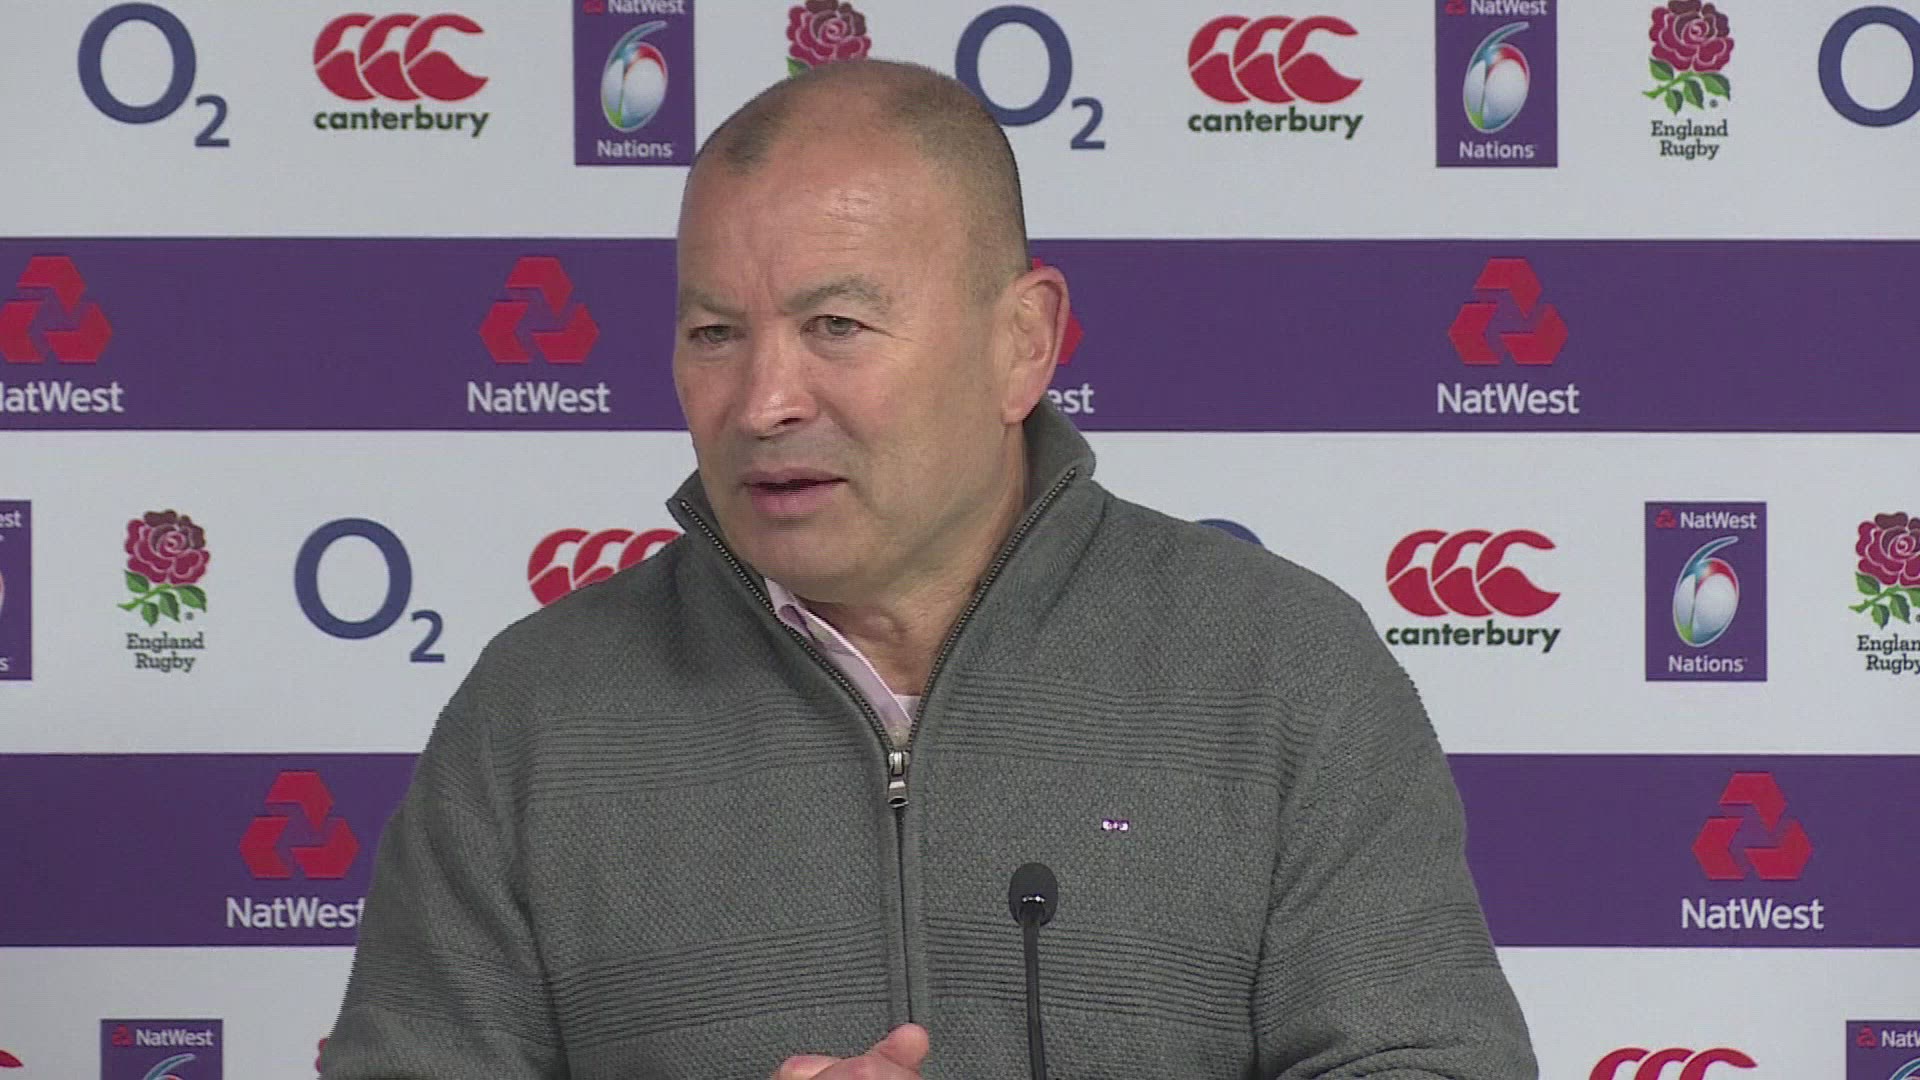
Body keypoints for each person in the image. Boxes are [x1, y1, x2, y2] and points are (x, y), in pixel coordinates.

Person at [321, 59, 1537, 1079]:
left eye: (836, 327)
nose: (764, 400)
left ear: (1024, 343)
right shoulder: (535, 719)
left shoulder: (1281, 675)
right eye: (714, 334)